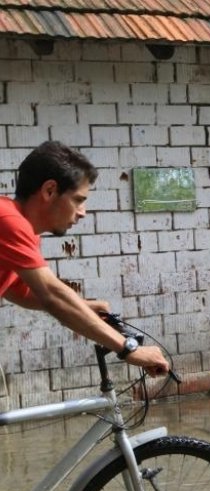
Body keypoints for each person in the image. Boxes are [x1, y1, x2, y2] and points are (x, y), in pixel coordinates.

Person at [0, 141, 169, 377]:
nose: (83, 212)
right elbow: (52, 295)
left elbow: (22, 293)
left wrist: (84, 307)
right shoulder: (8, 220)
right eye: (79, 200)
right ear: (49, 191)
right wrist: (128, 348)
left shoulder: (21, 230)